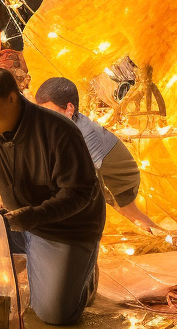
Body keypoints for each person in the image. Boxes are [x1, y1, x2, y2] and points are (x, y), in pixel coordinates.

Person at [0, 67, 105, 326]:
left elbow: (79, 193)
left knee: (55, 314)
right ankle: (39, 260)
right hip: (17, 223)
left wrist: (34, 216)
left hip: (67, 227)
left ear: (12, 98)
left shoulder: (58, 130)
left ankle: (83, 275)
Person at [32, 76, 168, 233]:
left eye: (51, 113)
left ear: (69, 109)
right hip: (102, 173)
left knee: (130, 215)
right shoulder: (62, 126)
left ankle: (161, 234)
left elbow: (83, 174)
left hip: (118, 178)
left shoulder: (84, 133)